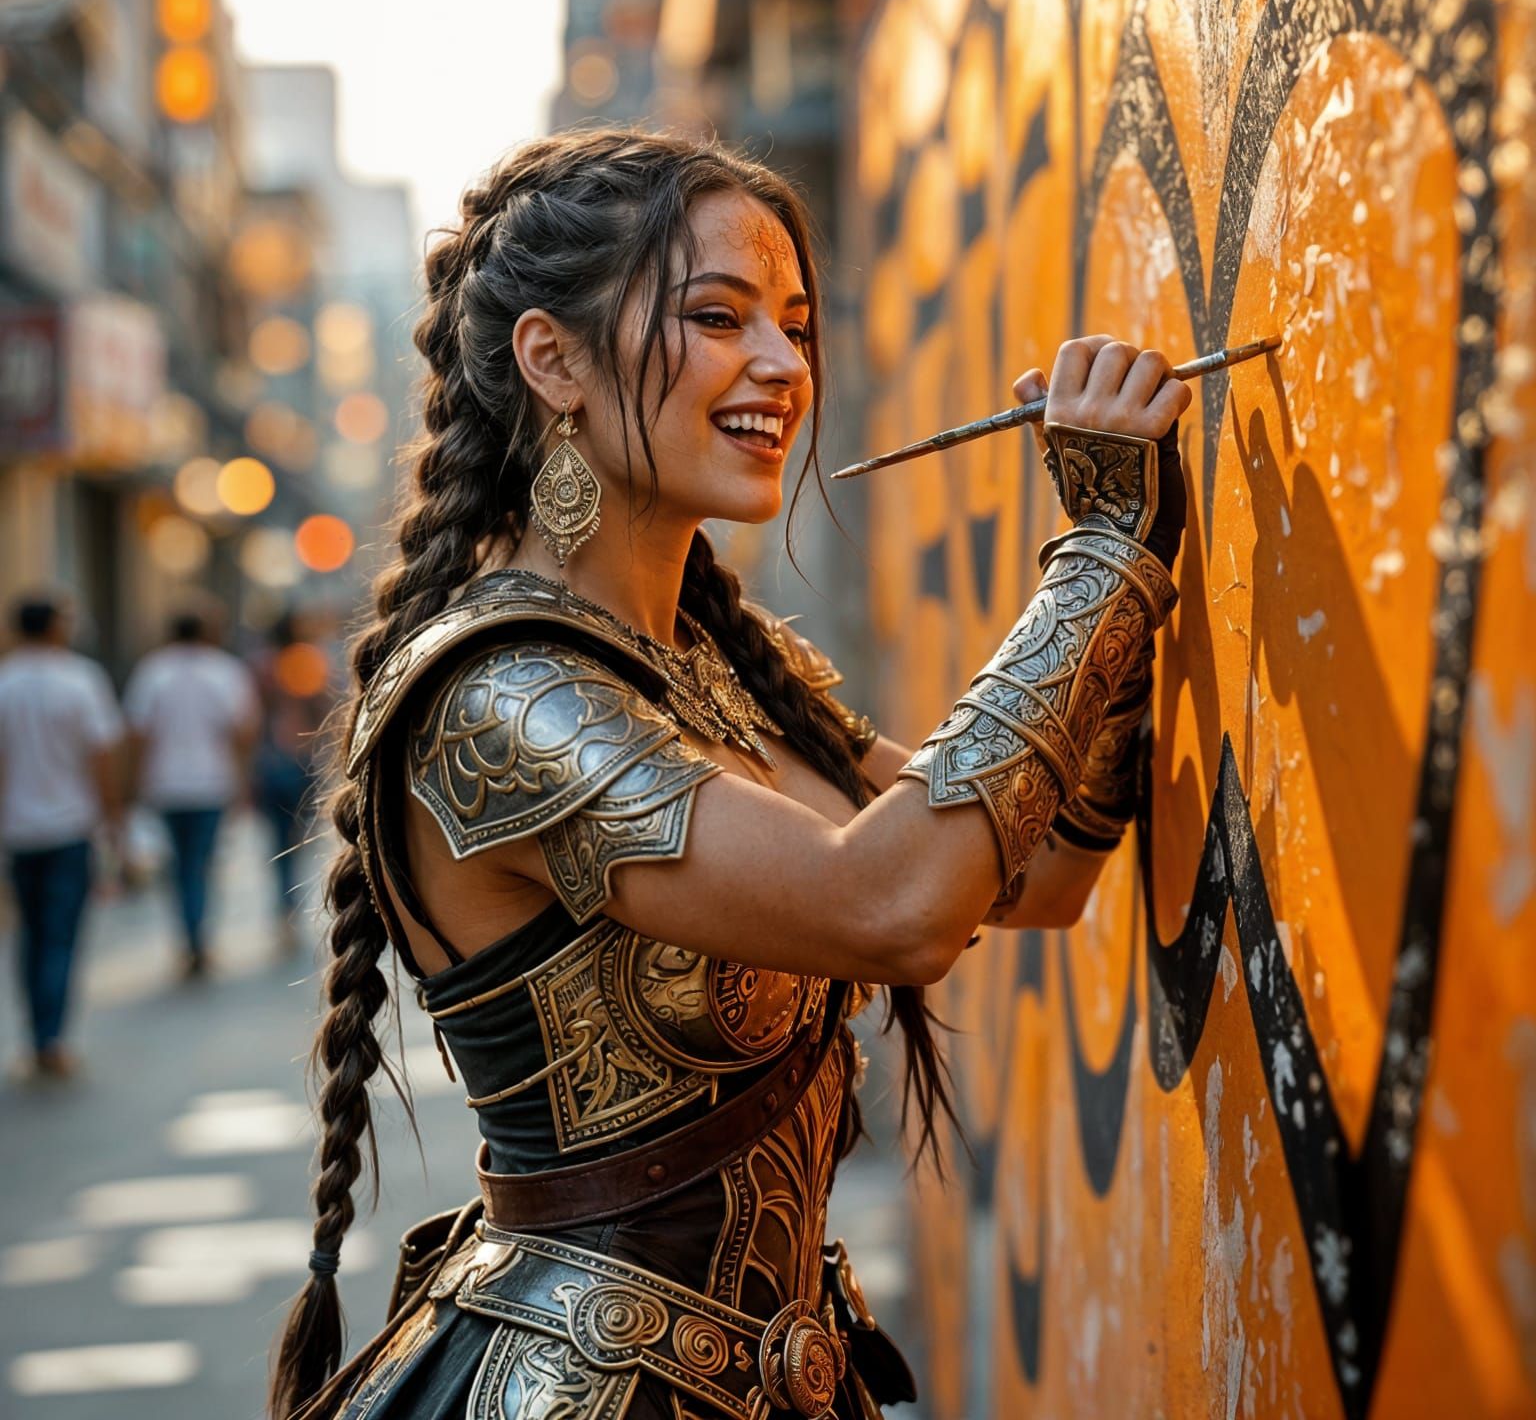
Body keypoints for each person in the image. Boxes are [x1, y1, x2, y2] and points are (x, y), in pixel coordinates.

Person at [268, 129, 1191, 1420]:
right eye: (718, 316)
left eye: (797, 324)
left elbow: (1026, 876)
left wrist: (1129, 591)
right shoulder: (502, 699)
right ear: (555, 361)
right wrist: (1098, 562)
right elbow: (890, 905)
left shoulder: (715, 668)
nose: (781, 365)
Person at [0, 591, 124, 1080]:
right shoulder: (80, 680)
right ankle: (51, 1036)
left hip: (16, 829)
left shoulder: (4, 683)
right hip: (71, 825)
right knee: (61, 934)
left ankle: (36, 1033)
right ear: (55, 627)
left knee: (28, 933)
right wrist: (113, 819)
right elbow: (102, 758)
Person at [125, 604, 259, 979]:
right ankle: (198, 936)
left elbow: (137, 733)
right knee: (200, 863)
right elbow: (243, 730)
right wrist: (242, 776)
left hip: (165, 783)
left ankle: (189, 936)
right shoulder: (224, 671)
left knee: (179, 865)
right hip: (212, 782)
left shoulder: (153, 672)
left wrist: (135, 781)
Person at [252, 612, 335, 955]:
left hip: (269, 759)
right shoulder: (306, 660)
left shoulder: (261, 667)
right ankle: (290, 908)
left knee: (277, 841)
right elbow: (323, 710)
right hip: (301, 758)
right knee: (298, 839)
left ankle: (284, 910)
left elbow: (253, 717)